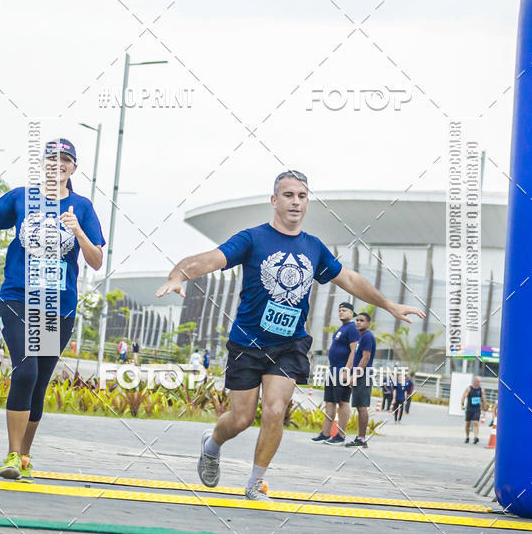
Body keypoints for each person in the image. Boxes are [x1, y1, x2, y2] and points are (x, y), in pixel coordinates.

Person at [156, 170, 424, 499]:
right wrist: (178, 274)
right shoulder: (252, 239)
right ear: (274, 200)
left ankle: (255, 483)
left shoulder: (313, 247)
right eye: (288, 195)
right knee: (240, 418)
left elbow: (350, 280)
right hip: (247, 342)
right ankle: (211, 445)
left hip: (289, 344)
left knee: (274, 410)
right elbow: (212, 259)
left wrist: (388, 305)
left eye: (302, 195)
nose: (296, 201)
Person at [0, 140, 105, 482]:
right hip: (18, 298)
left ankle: (24, 454)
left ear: (73, 168)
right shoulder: (20, 197)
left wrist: (79, 233)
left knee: (39, 382)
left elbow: (97, 261)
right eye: (52, 158)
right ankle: (12, 453)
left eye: (66, 160)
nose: (58, 163)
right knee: (24, 371)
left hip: (59, 306)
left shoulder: (82, 207)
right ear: (42, 163)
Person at [311, 302, 359, 445]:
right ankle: (325, 433)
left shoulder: (352, 328)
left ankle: (340, 436)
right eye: (339, 310)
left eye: (344, 310)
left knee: (342, 402)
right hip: (332, 370)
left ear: (351, 313)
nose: (341, 312)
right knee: (330, 402)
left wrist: (347, 370)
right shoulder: (341, 328)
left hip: (342, 371)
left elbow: (354, 351)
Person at [345, 312, 377, 449]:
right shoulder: (362, 337)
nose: (358, 322)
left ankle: (362, 439)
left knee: (362, 406)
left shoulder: (368, 337)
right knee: (359, 406)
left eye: (362, 320)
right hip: (361, 374)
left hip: (363, 375)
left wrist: (355, 375)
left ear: (368, 323)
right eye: (357, 320)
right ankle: (359, 437)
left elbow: (366, 358)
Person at [461, 375, 487, 444]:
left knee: (476, 422)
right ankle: (467, 437)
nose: (479, 383)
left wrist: (485, 408)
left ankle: (476, 437)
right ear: (474, 381)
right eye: (478, 381)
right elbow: (464, 397)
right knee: (468, 423)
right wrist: (462, 405)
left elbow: (484, 399)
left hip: (477, 409)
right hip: (469, 408)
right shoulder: (469, 389)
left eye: (480, 382)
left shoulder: (481, 390)